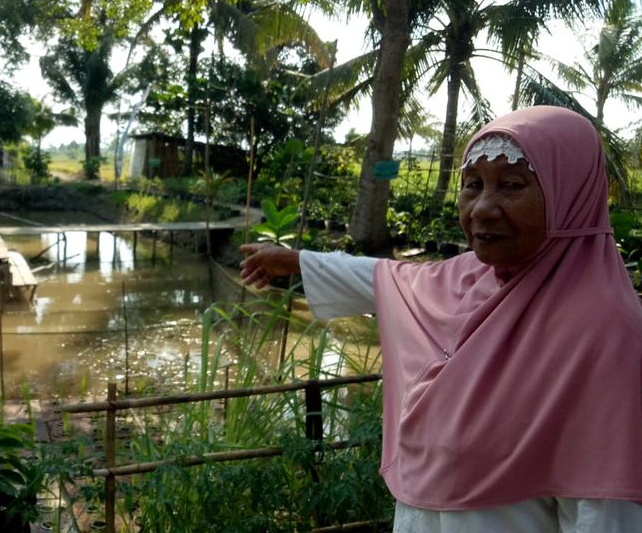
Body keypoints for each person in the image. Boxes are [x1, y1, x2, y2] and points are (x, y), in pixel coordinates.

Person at [239, 106, 642, 532]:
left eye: (511, 186)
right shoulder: (472, 277)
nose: (482, 208)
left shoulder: (606, 334)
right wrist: (296, 261)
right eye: (472, 186)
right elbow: (388, 278)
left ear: (570, 196)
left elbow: (606, 513)